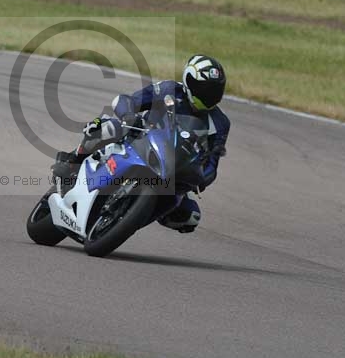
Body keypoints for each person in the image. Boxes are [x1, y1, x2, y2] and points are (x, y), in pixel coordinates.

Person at [51, 54, 230, 234]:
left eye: (215, 91)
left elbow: (212, 164)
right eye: (204, 88)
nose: (209, 95)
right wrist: (129, 115)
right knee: (108, 127)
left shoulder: (220, 123)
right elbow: (128, 100)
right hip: (140, 138)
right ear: (189, 80)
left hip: (176, 169)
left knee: (190, 216)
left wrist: (201, 178)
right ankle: (73, 162)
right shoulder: (168, 89)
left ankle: (127, 219)